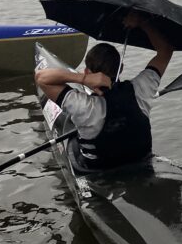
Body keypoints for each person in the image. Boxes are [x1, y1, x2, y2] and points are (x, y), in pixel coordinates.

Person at [34, 11, 174, 171]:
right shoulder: (142, 89)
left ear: (87, 72)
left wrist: (82, 79)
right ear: (121, 69)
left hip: (98, 169)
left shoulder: (81, 106)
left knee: (73, 142)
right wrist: (142, 22)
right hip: (139, 160)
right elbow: (166, 50)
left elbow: (41, 78)